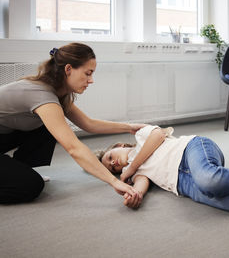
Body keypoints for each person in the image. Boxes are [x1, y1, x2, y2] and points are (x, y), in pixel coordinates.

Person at [0, 43, 146, 207]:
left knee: (50, 127)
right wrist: (113, 181)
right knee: (30, 186)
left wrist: (129, 127)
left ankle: (19, 168)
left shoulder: (57, 94)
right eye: (88, 73)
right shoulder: (42, 95)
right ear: (68, 69)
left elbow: (88, 124)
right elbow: (73, 148)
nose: (91, 80)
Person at [96, 125, 229, 218]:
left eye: (110, 157)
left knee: (209, 180)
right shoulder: (135, 174)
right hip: (184, 184)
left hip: (192, 150)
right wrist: (136, 194)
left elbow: (158, 135)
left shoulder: (140, 139)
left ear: (120, 145)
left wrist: (131, 166)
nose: (114, 164)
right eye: (112, 168)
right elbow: (142, 182)